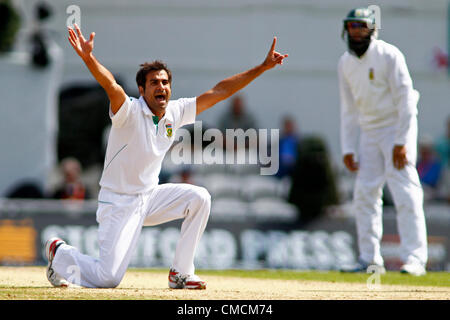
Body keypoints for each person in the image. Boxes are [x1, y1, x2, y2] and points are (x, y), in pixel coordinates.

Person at [44, 23, 288, 289]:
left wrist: (261, 68)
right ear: (142, 90)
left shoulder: (175, 111)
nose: (161, 87)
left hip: (150, 197)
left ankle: (180, 273)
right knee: (108, 278)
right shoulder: (129, 112)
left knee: (200, 197)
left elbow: (220, 91)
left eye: (165, 82)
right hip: (119, 202)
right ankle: (60, 253)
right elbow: (111, 86)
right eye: (154, 83)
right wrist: (89, 58)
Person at [338, 8, 428, 276]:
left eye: (361, 26)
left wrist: (402, 141)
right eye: (352, 26)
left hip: (395, 128)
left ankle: (415, 259)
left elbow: (407, 101)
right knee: (364, 193)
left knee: (405, 192)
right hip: (368, 132)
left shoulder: (389, 55)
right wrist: (348, 147)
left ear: (372, 29)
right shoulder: (345, 62)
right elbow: (348, 109)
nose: (356, 31)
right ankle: (369, 259)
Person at [417, 136, 443, 201]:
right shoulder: (418, 163)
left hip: (431, 192)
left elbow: (432, 180)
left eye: (426, 150)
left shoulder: (435, 164)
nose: (424, 152)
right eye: (422, 149)